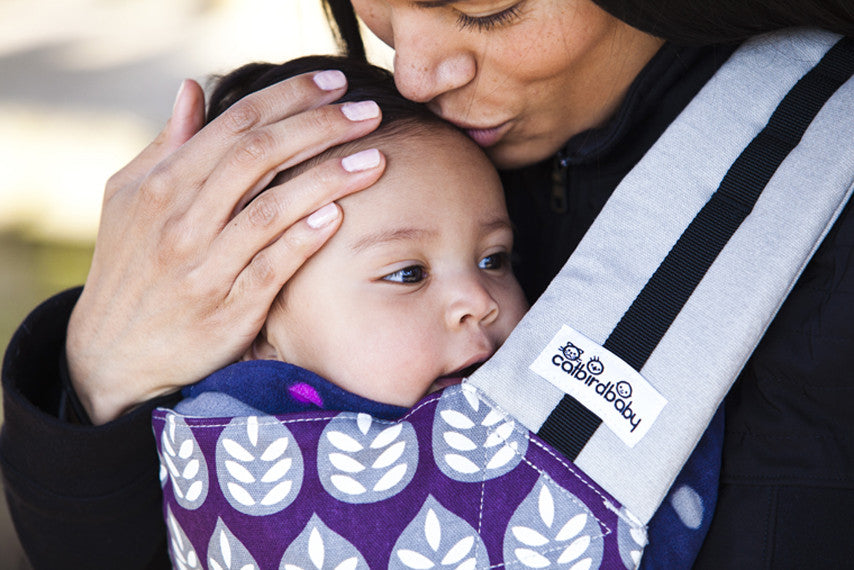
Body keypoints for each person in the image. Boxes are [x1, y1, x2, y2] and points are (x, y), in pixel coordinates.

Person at [2, 0, 853, 568]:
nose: (414, 74)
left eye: (484, 9)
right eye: (380, 12)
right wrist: (97, 390)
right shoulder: (369, 190)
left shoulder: (820, 172)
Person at [171, 55, 528, 421]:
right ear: (259, 336)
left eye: (494, 259)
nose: (480, 301)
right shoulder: (241, 454)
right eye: (408, 273)